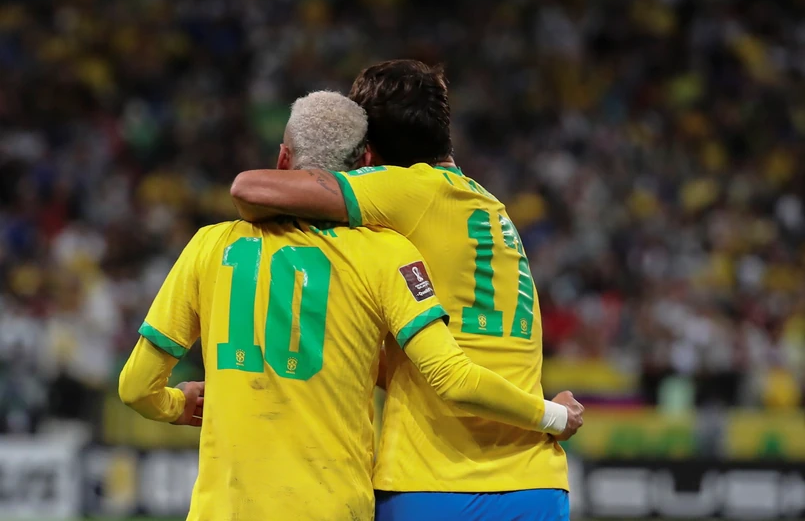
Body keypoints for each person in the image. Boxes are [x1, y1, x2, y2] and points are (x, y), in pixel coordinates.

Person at [119, 91, 575, 521]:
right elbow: (449, 376)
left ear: (283, 160)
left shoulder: (209, 245)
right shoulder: (387, 254)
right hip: (334, 505)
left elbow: (136, 387)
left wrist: (178, 405)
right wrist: (550, 414)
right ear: (366, 164)